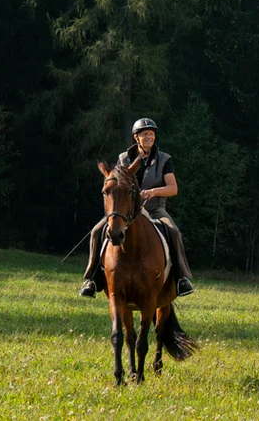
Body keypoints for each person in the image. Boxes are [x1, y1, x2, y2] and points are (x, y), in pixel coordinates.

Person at [79, 118, 195, 298]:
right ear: (136, 138)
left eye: (151, 134)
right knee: (96, 232)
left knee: (174, 232)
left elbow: (173, 188)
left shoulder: (164, 159)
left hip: (156, 210)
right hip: (127, 212)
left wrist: (153, 191)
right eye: (145, 134)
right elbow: (116, 185)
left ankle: (181, 279)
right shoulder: (123, 159)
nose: (149, 137)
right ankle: (92, 279)